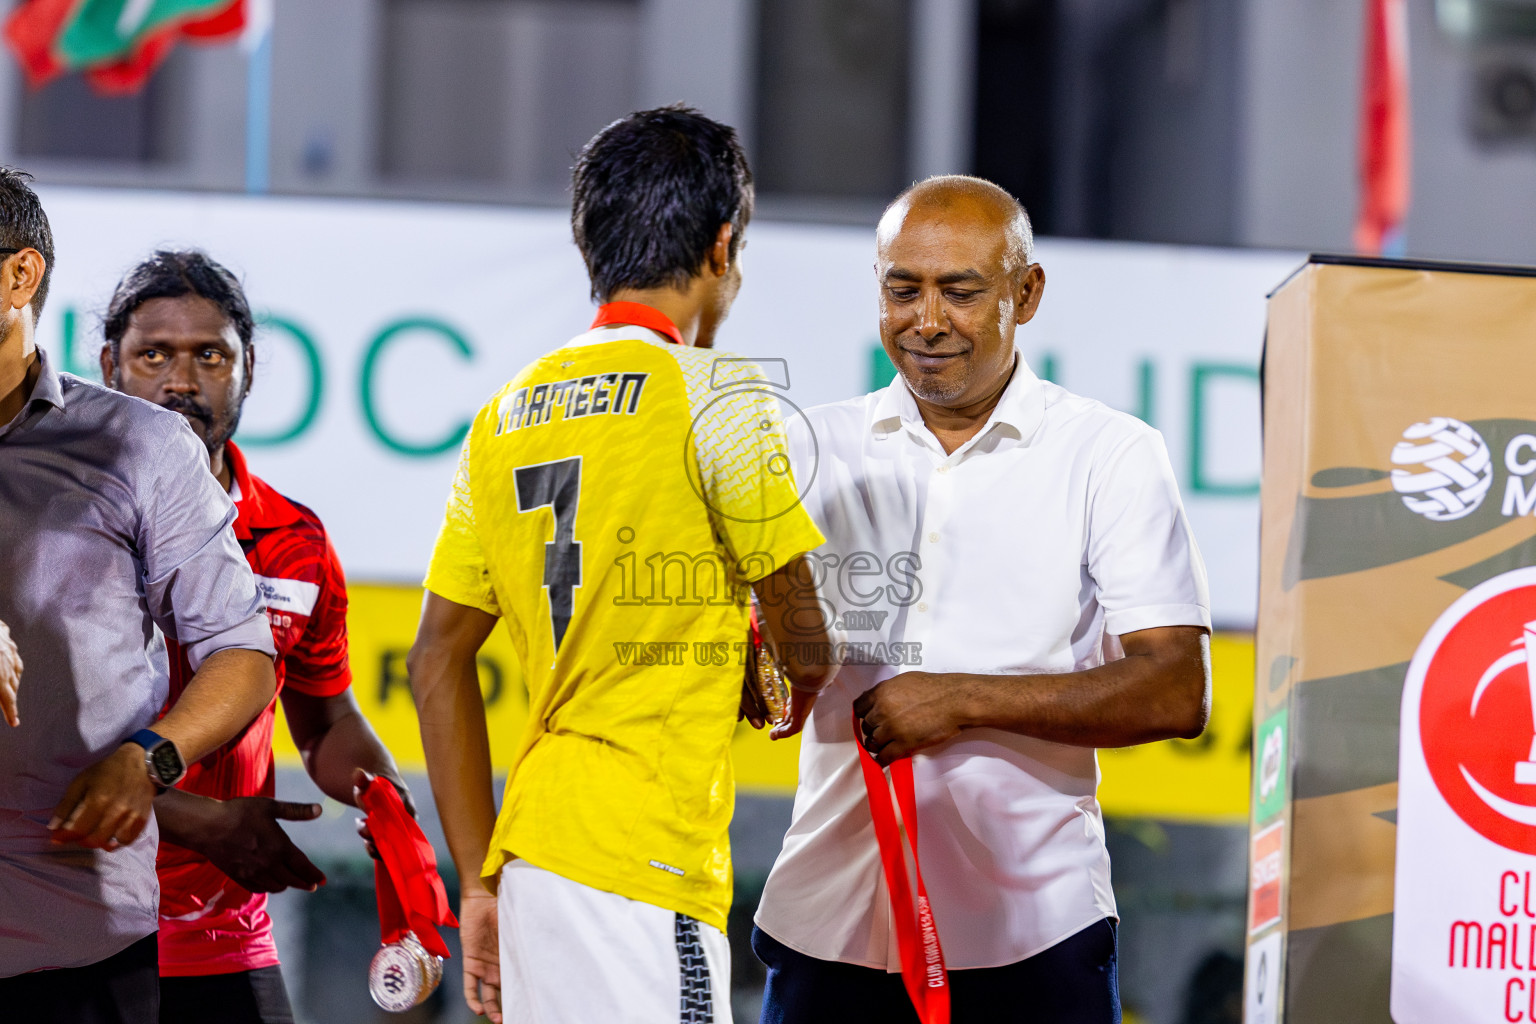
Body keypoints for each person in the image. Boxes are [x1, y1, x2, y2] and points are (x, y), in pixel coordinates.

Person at [407, 105, 835, 1024]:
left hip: (531, 858)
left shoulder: (500, 417)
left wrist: (477, 886)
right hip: (641, 864)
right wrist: (776, 671)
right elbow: (809, 649)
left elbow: (433, 660)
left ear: (589, 243)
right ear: (722, 249)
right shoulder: (714, 393)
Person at [751, 175, 1213, 1023]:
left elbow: (1177, 689)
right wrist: (765, 671)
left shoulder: (1110, 455)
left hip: (1036, 939)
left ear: (1026, 294)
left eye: (960, 291)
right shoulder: (804, 447)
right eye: (902, 289)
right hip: (832, 926)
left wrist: (963, 699)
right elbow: (773, 676)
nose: (926, 320)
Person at [99, 249, 413, 1024]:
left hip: (228, 942)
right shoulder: (58, 526)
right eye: (154, 355)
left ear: (246, 372)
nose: (181, 381)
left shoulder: (294, 540)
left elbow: (326, 718)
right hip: (77, 939)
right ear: (111, 367)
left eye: (210, 355)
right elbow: (35, 757)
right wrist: (201, 823)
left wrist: (382, 797)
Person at [0, 169, 279, 1022]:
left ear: (19, 277)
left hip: (73, 940)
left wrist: (151, 757)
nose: (181, 373)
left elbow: (243, 648)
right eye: (156, 352)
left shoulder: (141, 446)